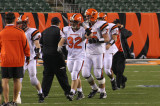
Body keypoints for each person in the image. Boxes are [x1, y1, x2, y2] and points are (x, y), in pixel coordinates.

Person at [0, 13, 30, 106]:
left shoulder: (2, 33)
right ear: (14, 20)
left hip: (5, 60)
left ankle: (6, 102)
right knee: (17, 80)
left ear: (5, 21)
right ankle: (14, 101)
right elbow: (26, 46)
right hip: (18, 60)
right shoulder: (20, 32)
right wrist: (28, 56)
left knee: (5, 80)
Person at [15, 14, 44, 103]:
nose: (20, 25)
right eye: (19, 23)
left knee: (33, 79)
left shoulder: (32, 31)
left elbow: (36, 42)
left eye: (22, 23)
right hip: (20, 58)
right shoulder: (16, 31)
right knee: (19, 78)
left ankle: (40, 93)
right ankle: (18, 96)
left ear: (26, 23)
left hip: (30, 58)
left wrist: (38, 51)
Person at [81, 8, 110, 99]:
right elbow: (85, 36)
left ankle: (103, 92)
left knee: (98, 74)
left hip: (98, 52)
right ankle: (94, 88)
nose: (87, 18)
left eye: (88, 16)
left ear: (93, 16)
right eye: (86, 16)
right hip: (88, 52)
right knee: (85, 73)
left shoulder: (101, 24)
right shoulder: (86, 24)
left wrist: (97, 40)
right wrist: (87, 35)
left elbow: (107, 39)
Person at [40, 17, 71, 98]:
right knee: (62, 75)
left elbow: (41, 44)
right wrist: (59, 47)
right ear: (59, 23)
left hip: (46, 56)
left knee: (47, 75)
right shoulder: (59, 31)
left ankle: (44, 93)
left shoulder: (45, 31)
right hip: (56, 56)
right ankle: (68, 92)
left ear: (51, 22)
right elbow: (63, 38)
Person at [58, 14, 85, 101]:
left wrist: (86, 27)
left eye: (75, 22)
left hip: (80, 56)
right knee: (74, 75)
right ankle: (80, 92)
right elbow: (63, 38)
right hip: (70, 56)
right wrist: (59, 46)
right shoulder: (66, 29)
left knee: (74, 74)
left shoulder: (83, 30)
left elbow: (90, 35)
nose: (73, 23)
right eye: (72, 21)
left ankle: (72, 93)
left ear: (79, 23)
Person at [97, 13, 119, 90]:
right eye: (98, 19)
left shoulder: (111, 26)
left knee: (107, 70)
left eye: (100, 19)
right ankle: (101, 89)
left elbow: (114, 38)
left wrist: (109, 44)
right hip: (98, 49)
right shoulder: (94, 26)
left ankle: (113, 80)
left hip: (108, 49)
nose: (98, 21)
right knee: (98, 70)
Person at [112, 19, 133, 89]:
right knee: (113, 69)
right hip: (114, 52)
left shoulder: (122, 31)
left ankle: (118, 85)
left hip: (121, 53)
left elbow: (129, 33)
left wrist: (122, 28)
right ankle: (123, 79)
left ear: (119, 24)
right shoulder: (112, 31)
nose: (114, 25)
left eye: (115, 24)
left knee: (119, 70)